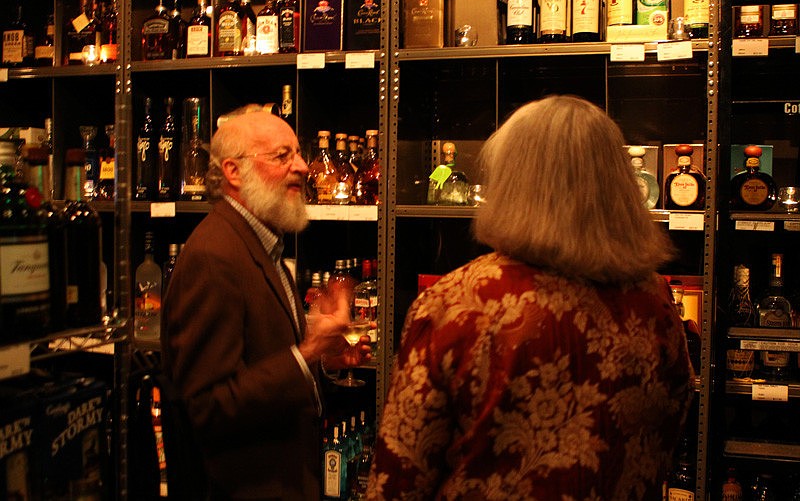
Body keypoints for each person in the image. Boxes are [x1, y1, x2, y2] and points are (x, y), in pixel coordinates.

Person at [366, 95, 694, 500]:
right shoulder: (656, 300)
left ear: (512, 182)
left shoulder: (457, 303)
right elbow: (672, 426)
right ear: (618, 184)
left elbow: (398, 477)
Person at [161, 106, 372, 500]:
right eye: (283, 156)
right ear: (233, 171)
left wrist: (321, 358)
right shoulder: (214, 257)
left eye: (298, 152)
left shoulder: (262, 242)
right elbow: (210, 407)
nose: (305, 166)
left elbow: (258, 360)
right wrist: (306, 353)